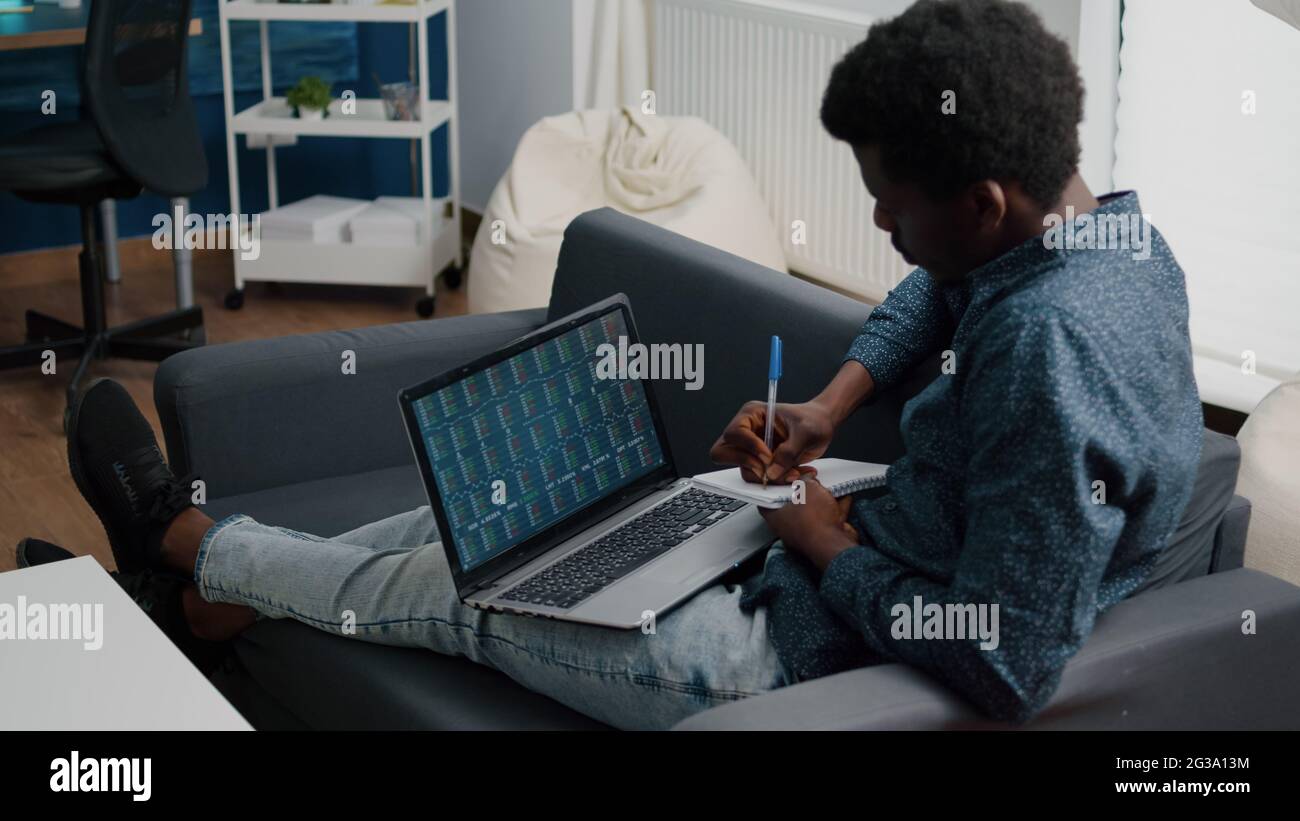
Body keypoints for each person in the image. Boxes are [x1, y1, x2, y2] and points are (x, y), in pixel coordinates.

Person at [19, 0, 1201, 729]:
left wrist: (819, 536)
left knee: (460, 591)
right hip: (820, 550)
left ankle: (178, 538)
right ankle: (216, 599)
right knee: (498, 535)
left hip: (776, 658)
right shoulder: (1109, 234)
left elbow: (1005, 657)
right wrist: (831, 403)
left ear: (986, 198)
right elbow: (944, 286)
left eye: (890, 205)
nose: (882, 230)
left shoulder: (1052, 357)